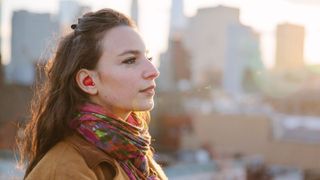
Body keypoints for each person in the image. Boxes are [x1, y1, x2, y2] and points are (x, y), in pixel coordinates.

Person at [19, 8, 167, 180]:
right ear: (88, 82)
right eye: (130, 60)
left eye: (148, 58)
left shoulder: (136, 155)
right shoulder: (65, 169)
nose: (153, 71)